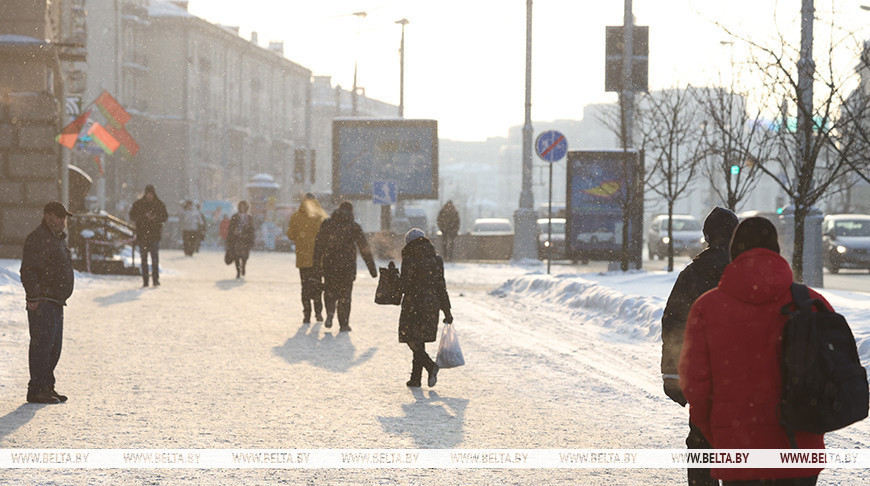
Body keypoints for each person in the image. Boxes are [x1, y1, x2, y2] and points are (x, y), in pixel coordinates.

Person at [679, 217, 831, 486]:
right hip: (799, 451)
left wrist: (718, 435)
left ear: (734, 252)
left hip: (739, 453)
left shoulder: (708, 307)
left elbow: (696, 386)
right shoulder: (811, 304)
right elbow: (835, 375)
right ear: (776, 250)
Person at [661, 207, 738, 486]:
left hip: (704, 377)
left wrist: (672, 375)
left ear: (707, 236)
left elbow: (674, 324)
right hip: (744, 378)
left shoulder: (692, 274)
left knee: (701, 443)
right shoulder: (745, 273)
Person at [20, 202, 75, 404]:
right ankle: (36, 389)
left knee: (53, 347)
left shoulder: (56, 238)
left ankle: (46, 386)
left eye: (64, 217)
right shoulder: (38, 238)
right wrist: (33, 297)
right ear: (47, 216)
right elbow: (28, 270)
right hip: (43, 300)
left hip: (55, 300)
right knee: (42, 346)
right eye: (58, 216)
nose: (62, 220)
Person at [398, 228, 453, 388]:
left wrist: (394, 279)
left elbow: (405, 284)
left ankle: (430, 366)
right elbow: (441, 286)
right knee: (419, 339)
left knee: (410, 338)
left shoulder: (410, 258)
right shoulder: (436, 259)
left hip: (413, 303)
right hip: (431, 304)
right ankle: (415, 378)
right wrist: (447, 310)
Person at [312, 201, 377, 332]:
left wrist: (316, 265)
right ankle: (344, 324)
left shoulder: (327, 224)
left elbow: (319, 246)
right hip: (348, 266)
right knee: (345, 295)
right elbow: (364, 248)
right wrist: (372, 269)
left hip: (330, 264)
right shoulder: (354, 227)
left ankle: (330, 312)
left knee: (329, 290)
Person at [286, 193, 329, 325]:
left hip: (303, 259)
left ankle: (307, 314)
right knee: (317, 285)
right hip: (318, 259)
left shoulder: (296, 216)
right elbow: (328, 236)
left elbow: (291, 235)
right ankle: (318, 312)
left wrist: (301, 235)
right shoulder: (321, 216)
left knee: (305, 287)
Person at [129, 184, 169, 287]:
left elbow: (164, 217)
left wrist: (155, 218)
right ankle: (145, 280)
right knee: (144, 259)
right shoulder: (139, 204)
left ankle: (155, 279)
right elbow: (132, 216)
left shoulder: (159, 205)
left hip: (154, 235)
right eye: (148, 194)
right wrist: (144, 217)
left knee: (154, 258)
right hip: (143, 235)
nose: (149, 196)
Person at [227, 200, 256, 279]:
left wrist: (250, 236)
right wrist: (233, 232)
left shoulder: (249, 217)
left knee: (244, 256)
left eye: (244, 206)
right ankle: (238, 271)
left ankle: (243, 266)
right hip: (236, 238)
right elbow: (231, 227)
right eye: (241, 206)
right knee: (236, 256)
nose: (242, 208)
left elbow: (252, 229)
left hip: (245, 239)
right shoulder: (235, 216)